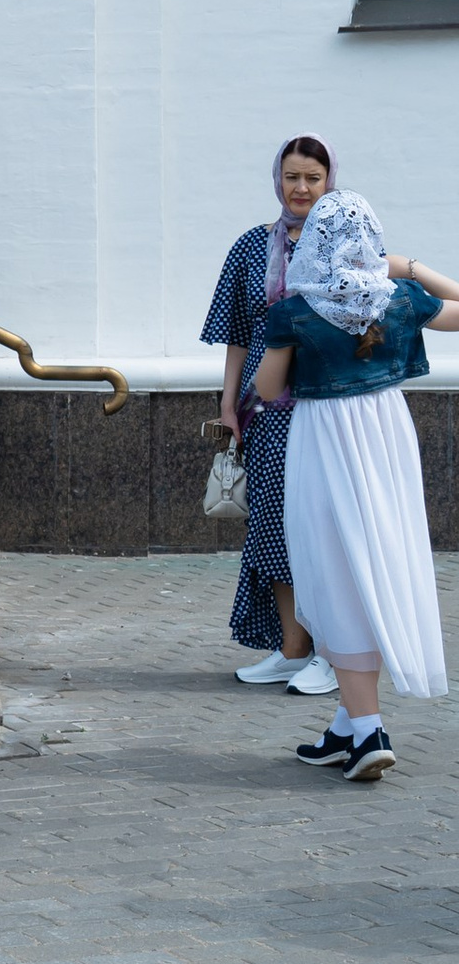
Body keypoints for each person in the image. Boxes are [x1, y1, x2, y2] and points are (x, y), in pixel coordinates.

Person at [256, 188, 459, 785]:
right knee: (375, 560)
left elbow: (268, 392)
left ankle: (368, 728)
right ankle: (346, 724)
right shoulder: (399, 298)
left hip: (324, 440)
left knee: (337, 569)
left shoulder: (293, 311)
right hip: (387, 435)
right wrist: (407, 267)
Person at [202, 139, 339, 701]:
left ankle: (334, 654)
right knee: (274, 529)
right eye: (291, 177)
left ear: (330, 181)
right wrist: (228, 405)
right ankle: (292, 649)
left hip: (326, 405)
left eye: (312, 177)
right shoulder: (252, 246)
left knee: (321, 530)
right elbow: (237, 333)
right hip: (266, 415)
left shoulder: (341, 243)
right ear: (277, 179)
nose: (300, 188)